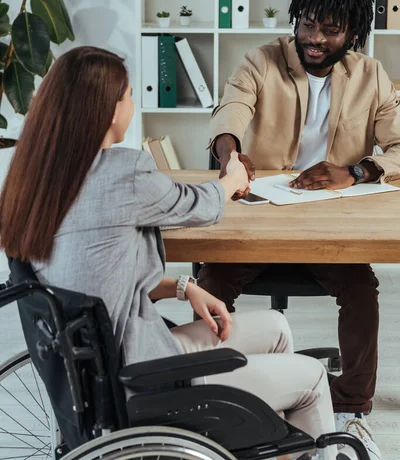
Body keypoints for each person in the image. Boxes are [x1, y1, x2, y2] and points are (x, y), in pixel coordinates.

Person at [0, 46, 337, 448]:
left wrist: (184, 287)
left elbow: (97, 282)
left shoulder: (34, 181)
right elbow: (201, 204)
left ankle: (267, 445)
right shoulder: (123, 173)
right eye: (127, 96)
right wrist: (231, 177)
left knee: (277, 328)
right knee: (313, 377)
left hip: (106, 366)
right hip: (143, 380)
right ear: (107, 110)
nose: (132, 104)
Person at [198, 0, 400, 460]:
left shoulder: (370, 74)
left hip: (325, 225)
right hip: (257, 217)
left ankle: (351, 407)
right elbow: (231, 109)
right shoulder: (262, 59)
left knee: (360, 291)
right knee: (210, 283)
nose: (314, 38)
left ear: (351, 32)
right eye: (308, 24)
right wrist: (230, 155)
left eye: (330, 30)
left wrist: (356, 170)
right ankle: (203, 394)